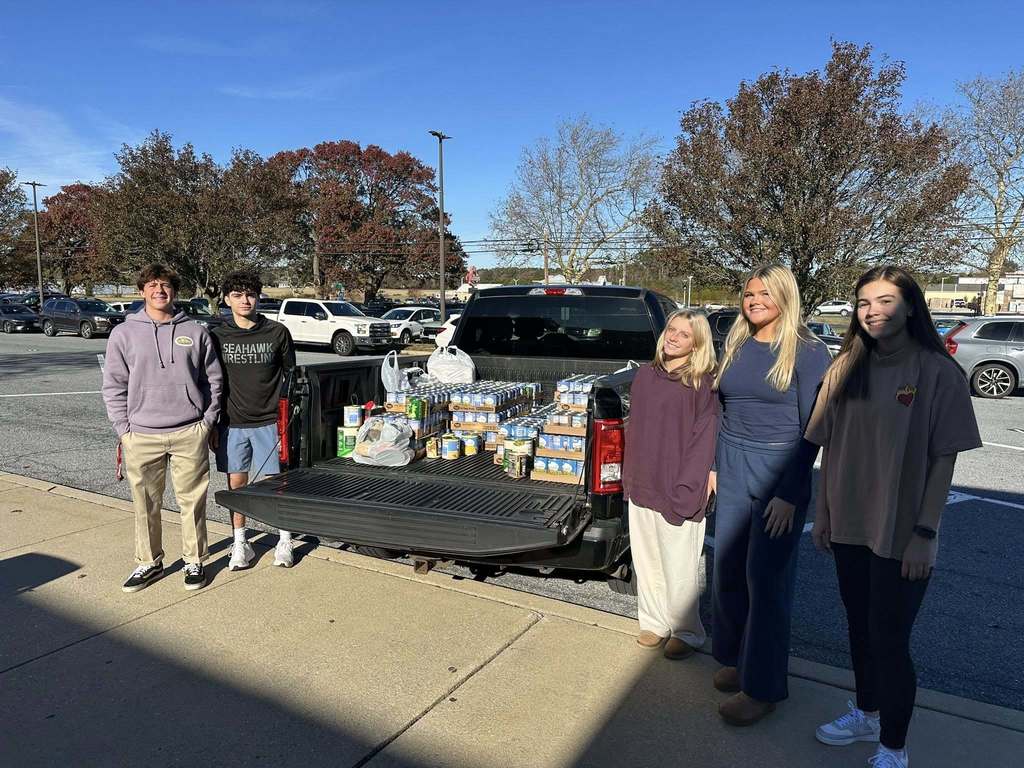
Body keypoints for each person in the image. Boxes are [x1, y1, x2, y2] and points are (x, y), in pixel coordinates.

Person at [807, 267, 981, 768]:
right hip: (849, 528)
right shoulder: (844, 369)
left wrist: (925, 533)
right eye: (864, 302)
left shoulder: (936, 371)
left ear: (911, 307)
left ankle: (893, 746)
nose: (873, 311)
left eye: (885, 300)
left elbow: (945, 458)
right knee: (859, 629)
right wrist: (823, 515)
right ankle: (865, 712)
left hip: (902, 533)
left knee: (889, 637)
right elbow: (828, 448)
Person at [711, 264, 831, 726]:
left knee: (767, 580)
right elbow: (723, 409)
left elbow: (812, 430)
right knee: (729, 567)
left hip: (779, 469)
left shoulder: (807, 351)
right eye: (749, 293)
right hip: (733, 462)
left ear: (785, 297)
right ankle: (738, 659)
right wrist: (714, 467)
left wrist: (790, 492)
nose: (754, 300)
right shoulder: (737, 344)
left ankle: (762, 688)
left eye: (765, 293)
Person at [102, 264, 223, 592]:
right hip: (141, 434)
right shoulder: (124, 334)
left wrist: (207, 420)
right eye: (153, 285)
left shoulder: (196, 332)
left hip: (189, 431)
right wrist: (123, 429)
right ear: (142, 291)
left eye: (166, 284)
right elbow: (114, 385)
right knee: (145, 503)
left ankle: (194, 560)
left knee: (193, 501)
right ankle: (148, 562)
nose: (159, 290)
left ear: (175, 290)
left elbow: (213, 380)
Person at [622, 310, 719, 660]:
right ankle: (653, 623)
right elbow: (636, 431)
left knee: (679, 564)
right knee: (646, 559)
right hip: (643, 480)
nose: (674, 337)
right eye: (671, 330)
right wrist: (628, 475)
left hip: (681, 483)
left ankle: (686, 630)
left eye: (684, 334)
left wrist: (692, 485)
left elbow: (705, 438)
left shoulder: (703, 383)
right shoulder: (645, 376)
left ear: (697, 345)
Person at [212, 270, 297, 570]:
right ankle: (240, 544)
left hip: (270, 422)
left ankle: (284, 539)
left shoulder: (277, 333)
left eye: (250, 294)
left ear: (258, 296)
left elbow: (290, 376)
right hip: (232, 423)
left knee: (278, 485)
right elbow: (210, 380)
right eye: (237, 295)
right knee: (237, 486)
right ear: (226, 299)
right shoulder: (217, 335)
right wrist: (212, 423)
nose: (245, 300)